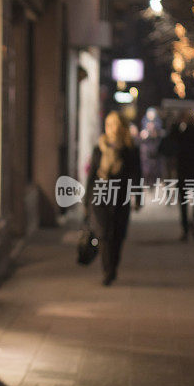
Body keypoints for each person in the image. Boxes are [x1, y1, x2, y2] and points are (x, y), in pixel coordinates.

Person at [87, 111, 142, 286]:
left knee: (118, 235)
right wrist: (86, 200)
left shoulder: (129, 150)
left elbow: (136, 175)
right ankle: (107, 270)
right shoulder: (99, 148)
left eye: (115, 124)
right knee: (104, 234)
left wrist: (138, 196)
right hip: (100, 196)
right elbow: (92, 177)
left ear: (122, 127)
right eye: (108, 124)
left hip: (120, 197)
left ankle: (113, 266)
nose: (111, 128)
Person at [163, 110, 194, 240]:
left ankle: (185, 228)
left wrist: (177, 123)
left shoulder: (181, 133)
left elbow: (170, 137)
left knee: (183, 201)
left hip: (183, 170)